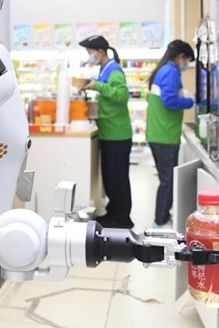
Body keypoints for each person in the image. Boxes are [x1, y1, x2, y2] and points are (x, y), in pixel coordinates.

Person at [81, 35, 134, 229]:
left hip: (117, 134)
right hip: (108, 132)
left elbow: (121, 95)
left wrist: (97, 85)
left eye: (90, 52)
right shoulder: (104, 69)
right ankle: (113, 213)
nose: (90, 56)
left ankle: (122, 218)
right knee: (111, 178)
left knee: (118, 178)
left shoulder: (114, 70)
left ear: (100, 52)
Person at [146, 40, 196, 228]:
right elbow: (169, 101)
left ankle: (161, 219)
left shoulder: (164, 70)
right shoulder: (171, 72)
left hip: (160, 133)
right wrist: (190, 101)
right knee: (167, 181)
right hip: (164, 134)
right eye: (187, 61)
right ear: (181, 57)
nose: (186, 65)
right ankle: (160, 222)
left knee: (165, 180)